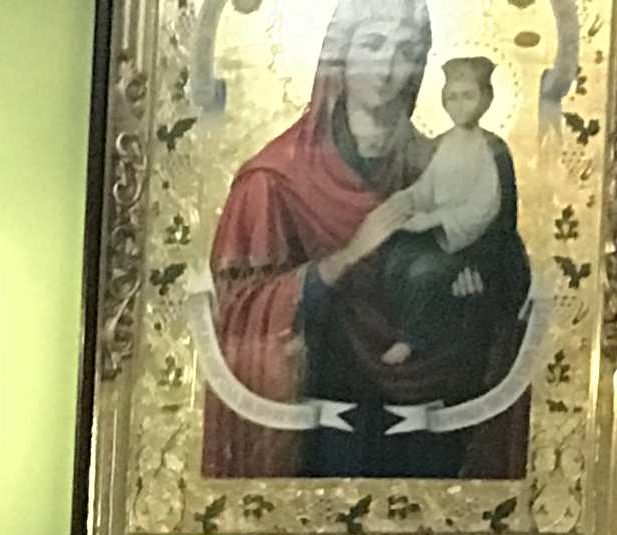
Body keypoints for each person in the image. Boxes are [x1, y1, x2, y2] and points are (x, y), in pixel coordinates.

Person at [201, 0, 531, 482]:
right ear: (339, 56)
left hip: (434, 412)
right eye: (373, 44)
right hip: (326, 422)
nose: (388, 67)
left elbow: (509, 278)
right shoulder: (274, 179)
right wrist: (346, 258)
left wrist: (477, 277)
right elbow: (238, 318)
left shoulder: (447, 163)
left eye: (406, 51)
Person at [370, 54, 515, 370]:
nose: (459, 105)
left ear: (486, 99)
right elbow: (426, 189)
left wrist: (435, 220)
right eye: (452, 97)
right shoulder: (441, 145)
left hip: (475, 246)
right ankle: (388, 333)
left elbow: (486, 208)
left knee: (425, 273)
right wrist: (406, 202)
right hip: (437, 235)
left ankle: (412, 340)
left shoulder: (492, 149)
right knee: (394, 259)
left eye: (468, 96)